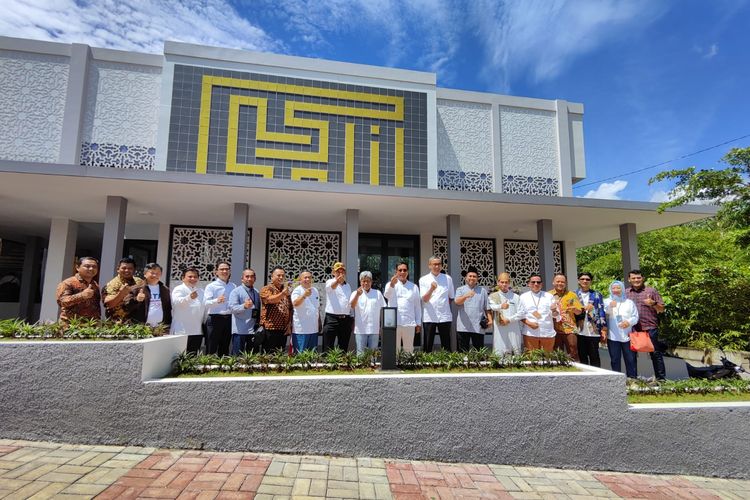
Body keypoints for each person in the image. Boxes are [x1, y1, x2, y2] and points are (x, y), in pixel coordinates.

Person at [627, 269, 667, 381]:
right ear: (629, 279)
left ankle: (661, 379)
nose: (636, 280)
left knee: (655, 353)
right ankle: (632, 378)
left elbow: (662, 309)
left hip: (650, 327)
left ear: (642, 278)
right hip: (633, 328)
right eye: (633, 278)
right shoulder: (626, 293)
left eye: (638, 278)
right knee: (631, 354)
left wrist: (653, 303)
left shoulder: (651, 291)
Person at [383, 261, 421, 353]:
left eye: (405, 270)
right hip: (394, 323)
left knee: (408, 349)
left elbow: (417, 306)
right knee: (395, 348)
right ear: (396, 272)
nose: (402, 272)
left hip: (409, 322)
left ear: (408, 272)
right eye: (400, 270)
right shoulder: (390, 284)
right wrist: (392, 285)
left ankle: (407, 365)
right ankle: (395, 366)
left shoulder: (414, 287)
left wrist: (418, 323)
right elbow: (386, 295)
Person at [605, 280, 639, 379]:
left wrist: (628, 322)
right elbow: (603, 316)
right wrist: (609, 307)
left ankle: (632, 380)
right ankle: (617, 380)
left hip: (627, 336)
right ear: (610, 289)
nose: (616, 290)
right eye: (613, 288)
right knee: (615, 359)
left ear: (622, 289)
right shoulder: (606, 301)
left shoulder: (629, 302)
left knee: (630, 359)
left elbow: (635, 317)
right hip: (613, 336)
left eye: (618, 288)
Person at [419, 256, 455, 352]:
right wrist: (431, 289)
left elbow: (451, 297)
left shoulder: (448, 278)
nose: (437, 266)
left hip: (444, 315)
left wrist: (444, 306)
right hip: (429, 315)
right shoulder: (423, 279)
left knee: (446, 342)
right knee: (428, 343)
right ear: (429, 266)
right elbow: (424, 299)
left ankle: (447, 362)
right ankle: (426, 363)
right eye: (434, 264)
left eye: (439, 264)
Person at [55, 256, 101, 327]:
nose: (91, 269)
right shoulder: (68, 283)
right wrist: (82, 295)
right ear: (77, 267)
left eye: (94, 267)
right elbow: (62, 302)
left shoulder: (95, 284)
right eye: (87, 266)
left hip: (91, 326)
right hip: (71, 325)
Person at [203, 261, 236, 356]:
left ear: (229, 272)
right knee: (211, 345)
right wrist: (217, 300)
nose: (224, 271)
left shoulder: (233, 286)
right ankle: (209, 366)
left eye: (226, 269)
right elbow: (206, 303)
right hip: (214, 319)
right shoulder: (211, 286)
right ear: (216, 272)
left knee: (225, 345)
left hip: (229, 319)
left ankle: (223, 367)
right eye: (222, 269)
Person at [517, 274, 556, 352]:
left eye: (538, 282)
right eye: (533, 282)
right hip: (530, 333)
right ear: (528, 284)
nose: (536, 284)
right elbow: (519, 315)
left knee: (547, 359)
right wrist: (529, 323)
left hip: (547, 333)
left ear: (541, 284)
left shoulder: (549, 296)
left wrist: (554, 311)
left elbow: (556, 316)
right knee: (531, 360)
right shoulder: (523, 297)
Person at [575, 272, 607, 367]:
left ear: (591, 281)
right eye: (582, 279)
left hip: (593, 329)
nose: (585, 281)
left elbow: (601, 311)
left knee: (594, 355)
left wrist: (604, 329)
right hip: (578, 329)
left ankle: (597, 379)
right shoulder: (573, 294)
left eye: (587, 279)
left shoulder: (597, 294)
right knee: (582, 356)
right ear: (578, 281)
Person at [350, 271, 386, 354]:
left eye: (368, 281)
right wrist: (357, 295)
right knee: (360, 354)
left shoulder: (377, 293)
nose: (366, 283)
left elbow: (383, 309)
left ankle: (372, 366)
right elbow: (352, 306)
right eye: (363, 281)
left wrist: (382, 326)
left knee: (373, 354)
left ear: (371, 282)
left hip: (374, 329)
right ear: (360, 282)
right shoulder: (355, 293)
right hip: (360, 329)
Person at [170, 267, 205, 354]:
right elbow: (176, 303)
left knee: (192, 357)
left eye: (195, 277)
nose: (193, 279)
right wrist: (189, 297)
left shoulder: (201, 291)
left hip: (197, 330)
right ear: (183, 278)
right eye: (190, 276)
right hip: (181, 331)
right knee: (179, 357)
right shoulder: (179, 289)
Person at [455, 267, 490, 351]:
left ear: (477, 279)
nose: (472, 278)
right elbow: (457, 302)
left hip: (478, 325)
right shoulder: (460, 290)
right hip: (463, 326)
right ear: (466, 278)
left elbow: (487, 307)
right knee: (463, 351)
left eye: (474, 276)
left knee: (479, 350)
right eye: (470, 276)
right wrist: (466, 296)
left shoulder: (483, 291)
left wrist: (490, 319)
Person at [259, 266, 293, 352]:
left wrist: (289, 324)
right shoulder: (266, 288)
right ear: (272, 277)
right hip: (270, 329)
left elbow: (290, 308)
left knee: (280, 356)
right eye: (278, 275)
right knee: (269, 356)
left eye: (283, 276)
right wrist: (282, 294)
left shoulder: (286, 291)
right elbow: (269, 300)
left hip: (283, 329)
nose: (281, 277)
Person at [549, 274, 582, 361]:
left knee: (573, 352)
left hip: (569, 328)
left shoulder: (572, 295)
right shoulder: (548, 295)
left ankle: (575, 371)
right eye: (558, 281)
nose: (560, 283)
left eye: (562, 282)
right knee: (556, 353)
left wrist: (574, 309)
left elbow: (579, 312)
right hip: (553, 328)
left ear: (566, 283)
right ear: (553, 282)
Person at [128, 263, 172, 329]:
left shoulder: (165, 289)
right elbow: (126, 305)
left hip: (161, 328)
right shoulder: (136, 289)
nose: (155, 275)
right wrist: (136, 299)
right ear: (145, 274)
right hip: (141, 328)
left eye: (158, 273)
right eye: (152, 272)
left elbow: (168, 308)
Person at [228, 268, 261, 355]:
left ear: (255, 279)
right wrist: (244, 306)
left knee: (251, 356)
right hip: (240, 330)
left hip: (253, 329)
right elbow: (232, 309)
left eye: (252, 277)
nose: (249, 279)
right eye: (247, 276)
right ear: (242, 279)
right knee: (237, 356)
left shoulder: (256, 292)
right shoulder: (236, 292)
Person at [488, 273, 522, 355]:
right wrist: (501, 306)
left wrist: (509, 320)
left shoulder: (515, 297)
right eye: (502, 282)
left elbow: (521, 313)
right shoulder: (493, 296)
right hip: (500, 328)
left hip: (513, 327)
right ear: (498, 283)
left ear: (509, 283)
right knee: (499, 349)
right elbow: (491, 306)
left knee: (515, 350)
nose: (504, 284)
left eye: (506, 282)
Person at [322, 262, 353, 352]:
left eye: (342, 271)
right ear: (333, 272)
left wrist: (351, 316)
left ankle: (342, 364)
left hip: (345, 319)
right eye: (338, 272)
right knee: (328, 345)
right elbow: (331, 287)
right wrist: (337, 281)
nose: (340, 274)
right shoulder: (330, 282)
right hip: (332, 318)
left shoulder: (348, 286)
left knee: (343, 346)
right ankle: (327, 364)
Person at [291, 270, 320, 353]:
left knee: (312, 356)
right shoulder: (297, 290)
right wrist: (304, 295)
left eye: (309, 277)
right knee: (301, 356)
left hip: (314, 329)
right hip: (301, 330)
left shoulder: (315, 290)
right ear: (300, 280)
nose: (307, 279)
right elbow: (295, 303)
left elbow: (316, 308)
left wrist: (319, 323)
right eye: (305, 277)